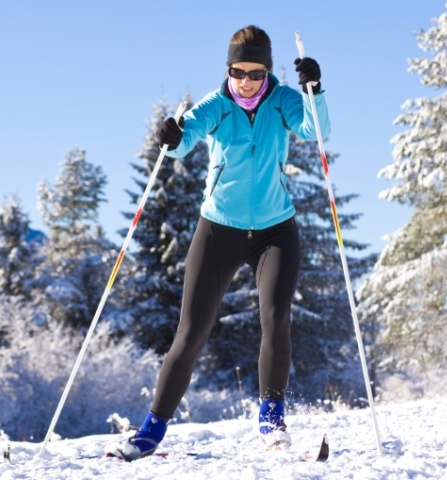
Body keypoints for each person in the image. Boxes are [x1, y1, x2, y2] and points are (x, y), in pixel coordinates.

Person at [118, 24, 329, 460]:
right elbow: (185, 137)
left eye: (256, 73)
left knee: (276, 317)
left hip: (276, 230)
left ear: (268, 71)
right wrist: (173, 139)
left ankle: (271, 417)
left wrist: (314, 89)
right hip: (219, 229)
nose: (247, 82)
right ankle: (150, 431)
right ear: (228, 69)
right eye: (239, 72)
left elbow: (315, 130)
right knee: (191, 332)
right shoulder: (217, 105)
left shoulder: (284, 101)